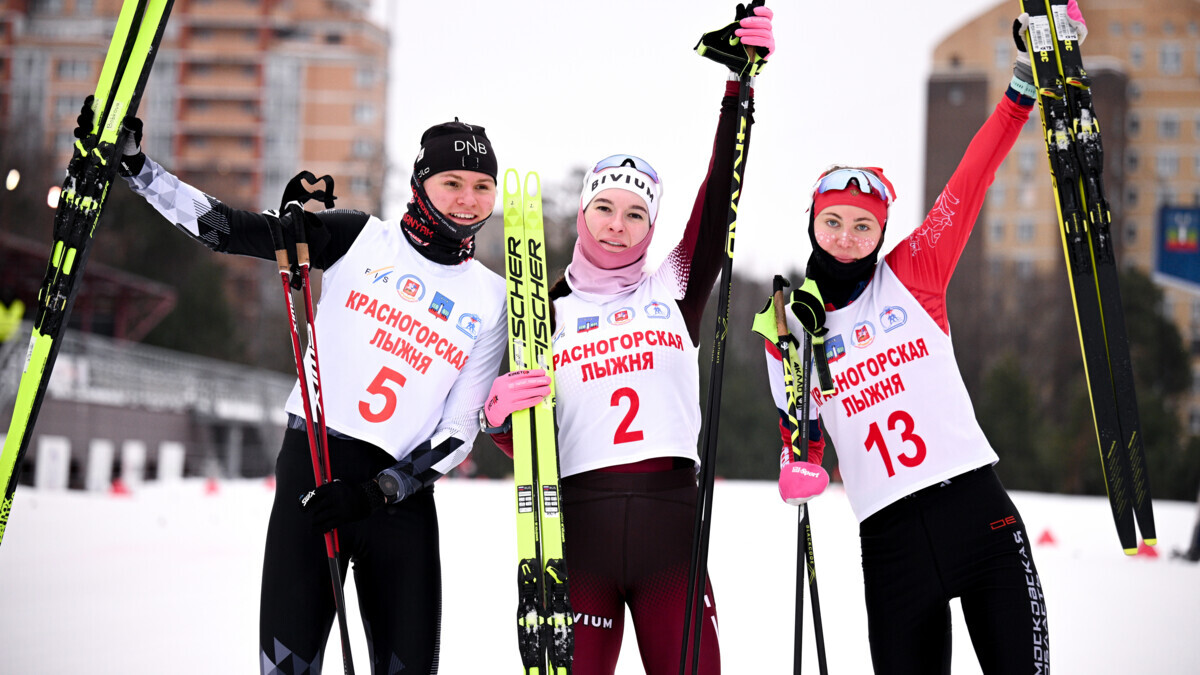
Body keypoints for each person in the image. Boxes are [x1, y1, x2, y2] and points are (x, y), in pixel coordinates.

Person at [76, 105, 508, 673]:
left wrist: (383, 490)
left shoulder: (490, 297)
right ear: (419, 184)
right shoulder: (359, 238)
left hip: (399, 502)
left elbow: (458, 432)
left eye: (482, 186)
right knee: (286, 665)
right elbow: (232, 231)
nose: (467, 198)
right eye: (452, 182)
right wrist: (138, 168)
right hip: (315, 465)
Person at [757, 3, 1092, 673]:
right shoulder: (792, 322)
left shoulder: (913, 274)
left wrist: (1024, 86)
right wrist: (800, 459)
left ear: (881, 233)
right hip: (890, 543)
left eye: (863, 225)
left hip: (978, 513)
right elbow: (804, 433)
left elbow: (969, 185)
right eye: (835, 222)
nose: (847, 237)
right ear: (812, 224)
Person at [481, 4, 775, 674]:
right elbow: (529, 444)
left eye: (637, 214)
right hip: (576, 534)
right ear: (584, 212)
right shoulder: (542, 308)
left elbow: (716, 197)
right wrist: (497, 416)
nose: (618, 225)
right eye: (605, 208)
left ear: (651, 226)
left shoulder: (673, 285)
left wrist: (739, 90)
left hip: (671, 534)